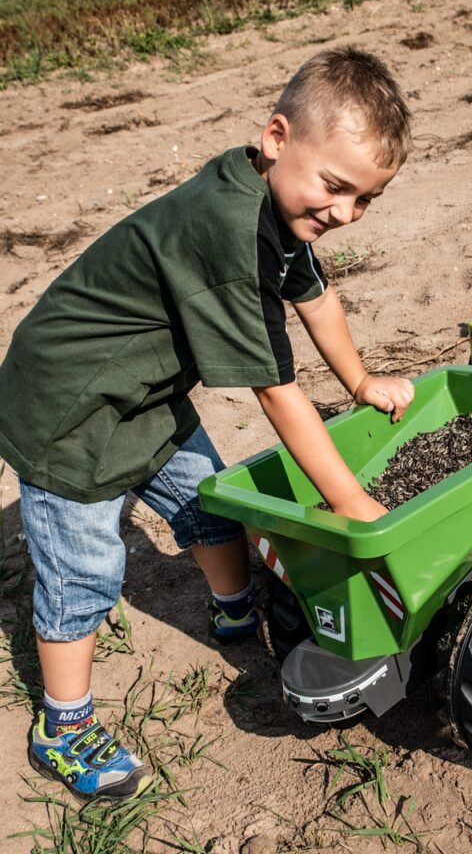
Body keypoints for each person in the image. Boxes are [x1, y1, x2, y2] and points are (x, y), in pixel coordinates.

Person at [0, 46, 414, 800]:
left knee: (210, 502)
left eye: (366, 200)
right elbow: (275, 390)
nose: (345, 213)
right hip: (69, 406)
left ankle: (232, 612)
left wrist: (359, 380)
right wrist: (353, 506)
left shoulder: (281, 206)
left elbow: (317, 299)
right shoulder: (228, 229)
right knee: (84, 572)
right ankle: (62, 728)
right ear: (278, 138)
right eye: (336, 187)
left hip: (143, 391)